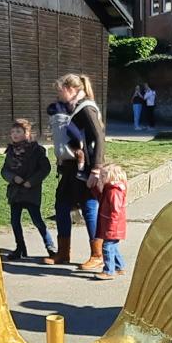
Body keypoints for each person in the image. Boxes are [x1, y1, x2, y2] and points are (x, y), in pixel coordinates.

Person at [51, 73, 106, 269]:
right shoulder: (74, 108)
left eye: (60, 91)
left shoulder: (86, 108)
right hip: (70, 168)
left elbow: (99, 138)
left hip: (86, 169)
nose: (58, 96)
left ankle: (98, 254)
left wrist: (96, 169)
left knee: (89, 209)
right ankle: (63, 253)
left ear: (70, 89)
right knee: (61, 206)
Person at [0, 116, 55, 262]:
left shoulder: (36, 150)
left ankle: (50, 246)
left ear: (27, 133)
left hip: (31, 191)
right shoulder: (11, 151)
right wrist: (13, 178)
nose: (15, 134)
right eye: (13, 132)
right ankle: (20, 248)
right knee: (15, 221)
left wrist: (31, 182)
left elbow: (45, 168)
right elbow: (4, 170)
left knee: (37, 221)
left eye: (18, 131)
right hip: (15, 192)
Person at [95, 162, 129, 278]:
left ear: (111, 176)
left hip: (113, 225)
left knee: (107, 246)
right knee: (113, 246)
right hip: (113, 225)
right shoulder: (109, 188)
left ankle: (109, 271)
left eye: (103, 176)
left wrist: (111, 226)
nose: (100, 178)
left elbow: (116, 211)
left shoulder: (114, 191)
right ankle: (119, 266)